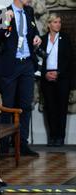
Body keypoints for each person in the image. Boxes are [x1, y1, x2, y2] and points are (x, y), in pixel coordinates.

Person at [0, 0, 42, 157]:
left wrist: (37, 37)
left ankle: (22, 144)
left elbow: (33, 31)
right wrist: (6, 21)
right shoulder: (3, 12)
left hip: (26, 64)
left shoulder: (29, 11)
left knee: (25, 105)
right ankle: (4, 145)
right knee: (8, 105)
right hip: (9, 66)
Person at [39, 13, 73, 147]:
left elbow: (69, 59)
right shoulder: (42, 40)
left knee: (61, 108)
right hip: (46, 79)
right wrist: (45, 74)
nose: (58, 24)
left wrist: (58, 73)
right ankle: (52, 137)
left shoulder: (65, 39)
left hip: (62, 78)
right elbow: (39, 62)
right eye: (55, 22)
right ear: (49, 24)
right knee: (50, 108)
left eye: (59, 22)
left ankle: (60, 137)